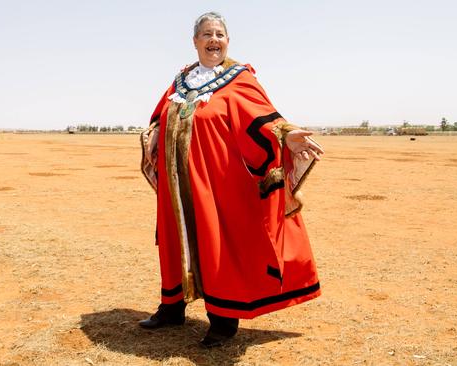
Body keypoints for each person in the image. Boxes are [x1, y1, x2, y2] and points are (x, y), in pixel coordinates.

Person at [139, 11, 324, 348]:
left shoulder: (239, 79)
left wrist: (287, 135)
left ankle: (223, 321)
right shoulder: (181, 80)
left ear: (227, 41)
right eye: (207, 34)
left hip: (216, 184)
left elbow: (263, 117)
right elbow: (159, 115)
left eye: (220, 34)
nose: (214, 40)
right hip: (176, 185)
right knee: (173, 239)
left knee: (215, 244)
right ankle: (172, 307)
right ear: (194, 41)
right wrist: (153, 133)